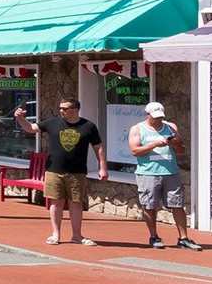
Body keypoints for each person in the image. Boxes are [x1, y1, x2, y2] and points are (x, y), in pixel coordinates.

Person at [20, 95, 106, 246]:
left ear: (75, 109)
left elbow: (98, 147)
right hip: (54, 170)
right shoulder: (52, 123)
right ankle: (55, 234)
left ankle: (77, 236)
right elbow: (31, 128)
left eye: (65, 108)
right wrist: (20, 119)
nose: (61, 111)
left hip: (77, 171)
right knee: (56, 203)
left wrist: (103, 167)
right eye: (60, 108)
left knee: (76, 203)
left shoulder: (88, 126)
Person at [127, 100, 200, 251]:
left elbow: (181, 151)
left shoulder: (171, 127)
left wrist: (176, 144)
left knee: (177, 205)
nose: (159, 119)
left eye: (160, 116)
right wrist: (154, 144)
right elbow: (135, 151)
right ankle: (154, 236)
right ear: (148, 115)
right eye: (155, 117)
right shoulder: (137, 129)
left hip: (171, 172)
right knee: (150, 205)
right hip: (148, 172)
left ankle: (184, 238)